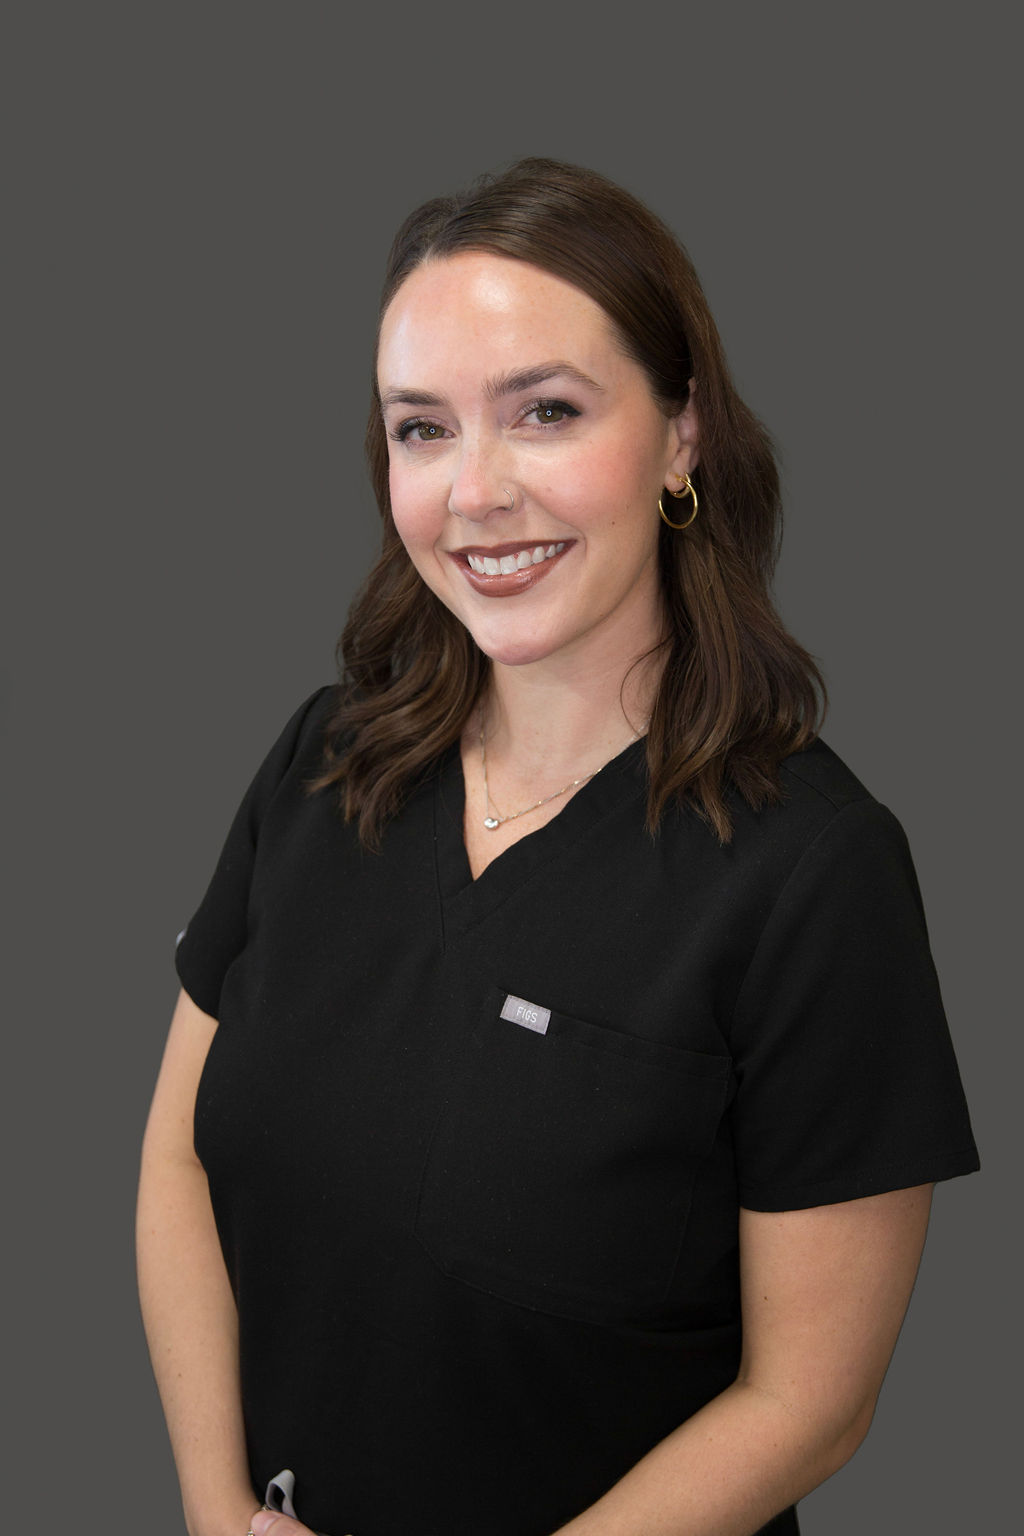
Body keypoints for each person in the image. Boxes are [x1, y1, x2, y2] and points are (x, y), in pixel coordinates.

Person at [137, 159, 978, 1536]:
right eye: (422, 429)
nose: (476, 492)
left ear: (682, 433)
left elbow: (811, 1400)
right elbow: (177, 1163)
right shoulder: (322, 760)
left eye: (545, 412)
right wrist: (216, 1513)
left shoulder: (814, 873)